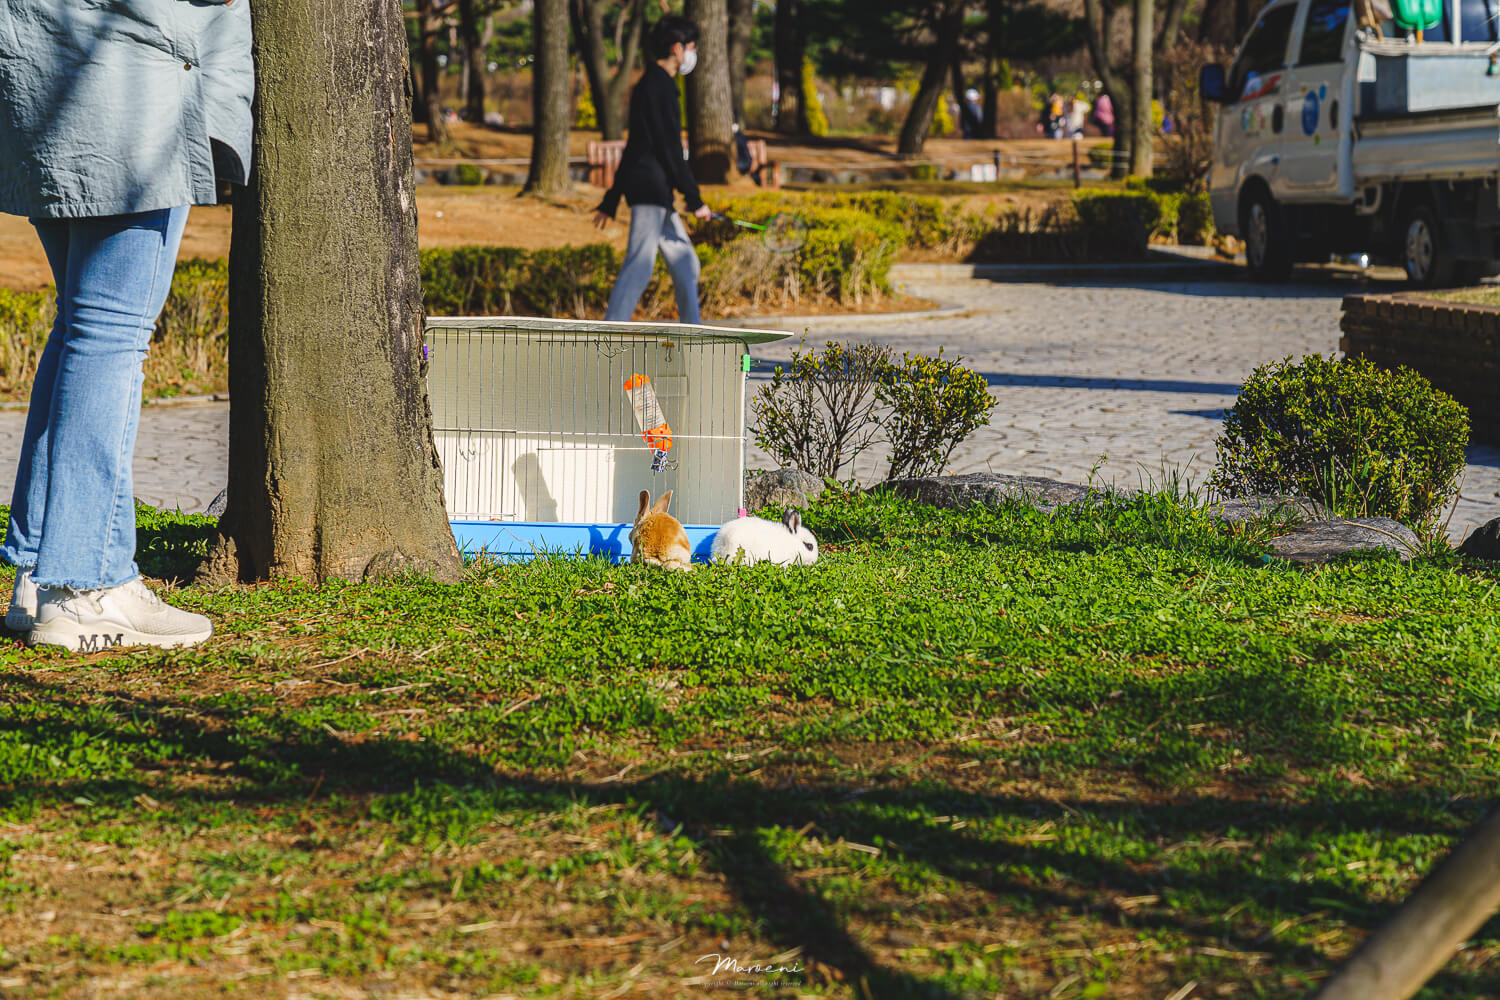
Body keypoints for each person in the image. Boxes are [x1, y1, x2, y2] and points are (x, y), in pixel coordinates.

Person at [0, 2, 253, 650]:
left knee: (82, 327)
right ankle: (85, 583)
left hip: (43, 77)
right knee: (112, 333)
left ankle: (37, 575)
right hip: (133, 89)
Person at [594, 15, 710, 325]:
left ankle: (694, 335)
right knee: (639, 265)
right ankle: (607, 336)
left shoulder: (655, 84)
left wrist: (610, 199)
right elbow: (668, 148)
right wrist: (694, 198)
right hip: (649, 190)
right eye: (692, 47)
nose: (693, 54)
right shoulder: (657, 87)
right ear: (677, 48)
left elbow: (635, 147)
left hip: (656, 191)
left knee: (686, 265)